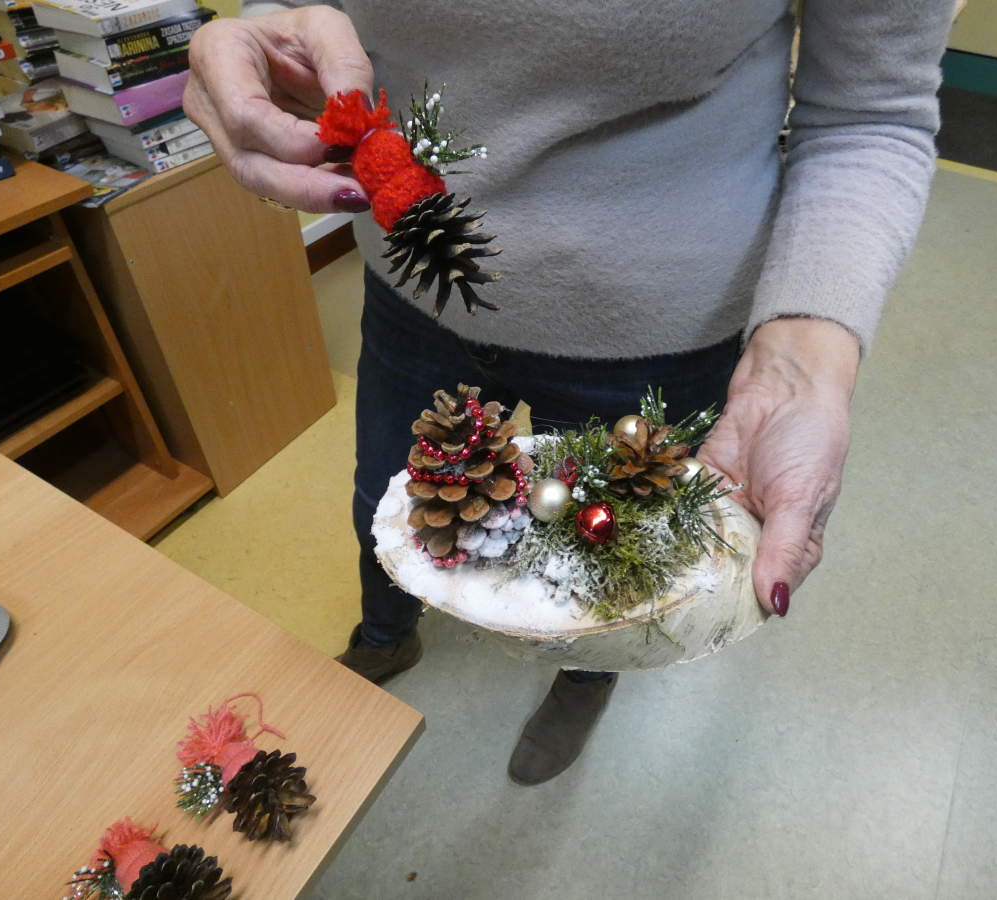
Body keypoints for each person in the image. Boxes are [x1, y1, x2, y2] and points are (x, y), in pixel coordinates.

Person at [184, 0, 955, 785]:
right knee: (381, 501)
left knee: (606, 549)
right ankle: (386, 633)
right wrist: (266, 38)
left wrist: (805, 362)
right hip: (414, 282)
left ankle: (588, 672)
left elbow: (872, 112)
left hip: (655, 326)